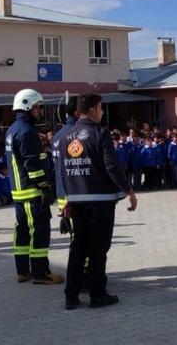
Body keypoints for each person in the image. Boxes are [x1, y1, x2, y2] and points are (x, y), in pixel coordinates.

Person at [60, 93, 136, 310]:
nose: (103, 112)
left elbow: (63, 172)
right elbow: (111, 166)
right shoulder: (100, 133)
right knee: (98, 249)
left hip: (77, 200)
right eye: (101, 108)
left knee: (77, 248)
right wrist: (128, 189)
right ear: (92, 109)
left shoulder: (67, 136)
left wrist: (68, 198)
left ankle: (71, 296)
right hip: (100, 201)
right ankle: (97, 294)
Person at [5, 89, 63, 285]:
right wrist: (44, 185)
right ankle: (40, 273)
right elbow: (31, 164)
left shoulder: (13, 128)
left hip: (19, 192)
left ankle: (22, 270)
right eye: (38, 107)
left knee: (22, 230)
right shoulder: (27, 131)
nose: (39, 111)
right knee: (39, 230)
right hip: (31, 191)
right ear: (28, 106)